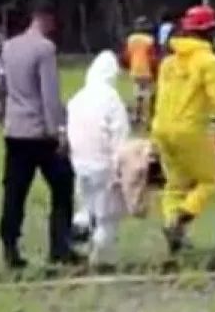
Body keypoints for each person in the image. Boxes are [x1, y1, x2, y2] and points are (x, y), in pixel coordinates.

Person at [150, 4, 215, 253]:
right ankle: (180, 220)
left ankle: (173, 232)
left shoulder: (168, 62)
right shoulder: (208, 61)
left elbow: (161, 98)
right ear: (210, 32)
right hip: (190, 130)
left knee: (175, 186)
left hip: (162, 128)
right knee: (209, 182)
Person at [0, 0, 80, 268]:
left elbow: (1, 88)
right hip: (39, 132)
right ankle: (60, 246)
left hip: (14, 129)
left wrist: (5, 117)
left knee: (15, 190)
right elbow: (49, 94)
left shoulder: (9, 46)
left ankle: (10, 245)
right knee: (63, 185)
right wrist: (59, 131)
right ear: (46, 18)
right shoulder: (45, 49)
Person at [66, 49, 131, 268]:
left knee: (85, 207)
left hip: (79, 163)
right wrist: (120, 166)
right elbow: (120, 134)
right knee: (107, 216)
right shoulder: (111, 99)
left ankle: (78, 239)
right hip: (104, 166)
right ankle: (101, 259)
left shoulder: (77, 98)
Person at [124, 17, 157, 126]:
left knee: (138, 94)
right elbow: (152, 57)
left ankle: (138, 116)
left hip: (135, 70)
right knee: (150, 93)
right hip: (147, 70)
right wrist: (155, 70)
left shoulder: (130, 39)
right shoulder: (149, 40)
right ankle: (149, 118)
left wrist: (129, 66)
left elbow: (127, 55)